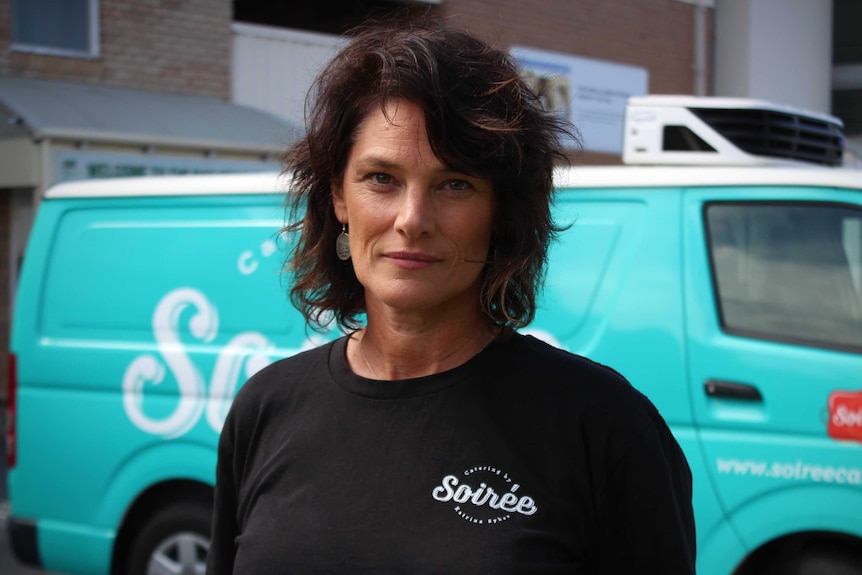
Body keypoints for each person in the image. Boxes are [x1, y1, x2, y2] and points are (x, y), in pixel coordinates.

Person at [207, 14, 696, 575]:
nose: (413, 220)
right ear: (339, 197)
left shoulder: (605, 427)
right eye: (381, 179)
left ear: (499, 213)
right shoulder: (264, 409)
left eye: (455, 184)